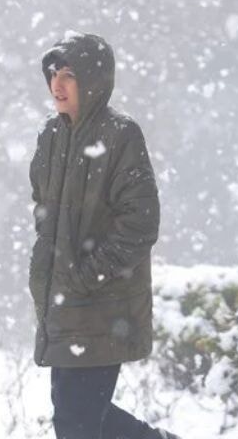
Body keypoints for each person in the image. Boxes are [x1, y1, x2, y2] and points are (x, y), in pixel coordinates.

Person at [29, 33, 180, 439]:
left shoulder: (120, 135)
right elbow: (41, 203)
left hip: (101, 306)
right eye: (53, 74)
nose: (57, 84)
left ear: (93, 80)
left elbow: (141, 222)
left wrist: (87, 274)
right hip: (62, 304)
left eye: (69, 75)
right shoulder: (51, 135)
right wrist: (51, 268)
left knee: (75, 421)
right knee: (80, 415)